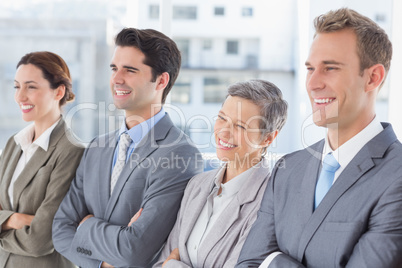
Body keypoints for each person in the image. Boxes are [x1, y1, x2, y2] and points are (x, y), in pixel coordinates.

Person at [236, 8, 402, 268]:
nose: (313, 83)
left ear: (373, 77)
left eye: (330, 68)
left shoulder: (397, 176)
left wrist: (273, 262)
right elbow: (248, 263)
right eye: (310, 68)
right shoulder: (287, 169)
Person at [52, 28, 203, 268]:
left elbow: (135, 250)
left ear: (161, 80)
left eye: (130, 70)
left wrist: (85, 226)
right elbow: (60, 230)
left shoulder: (179, 153)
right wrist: (102, 264)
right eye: (114, 69)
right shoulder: (97, 147)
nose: (117, 79)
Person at [153, 79, 288, 268]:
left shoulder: (270, 202)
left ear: (267, 138)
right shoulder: (197, 185)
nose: (223, 132)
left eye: (240, 126)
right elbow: (162, 260)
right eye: (222, 118)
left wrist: (173, 265)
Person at [0, 51, 84, 268]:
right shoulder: (14, 143)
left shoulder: (71, 151)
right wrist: (15, 220)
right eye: (17, 86)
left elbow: (41, 239)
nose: (20, 97)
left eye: (31, 87)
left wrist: (3, 223)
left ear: (59, 92)